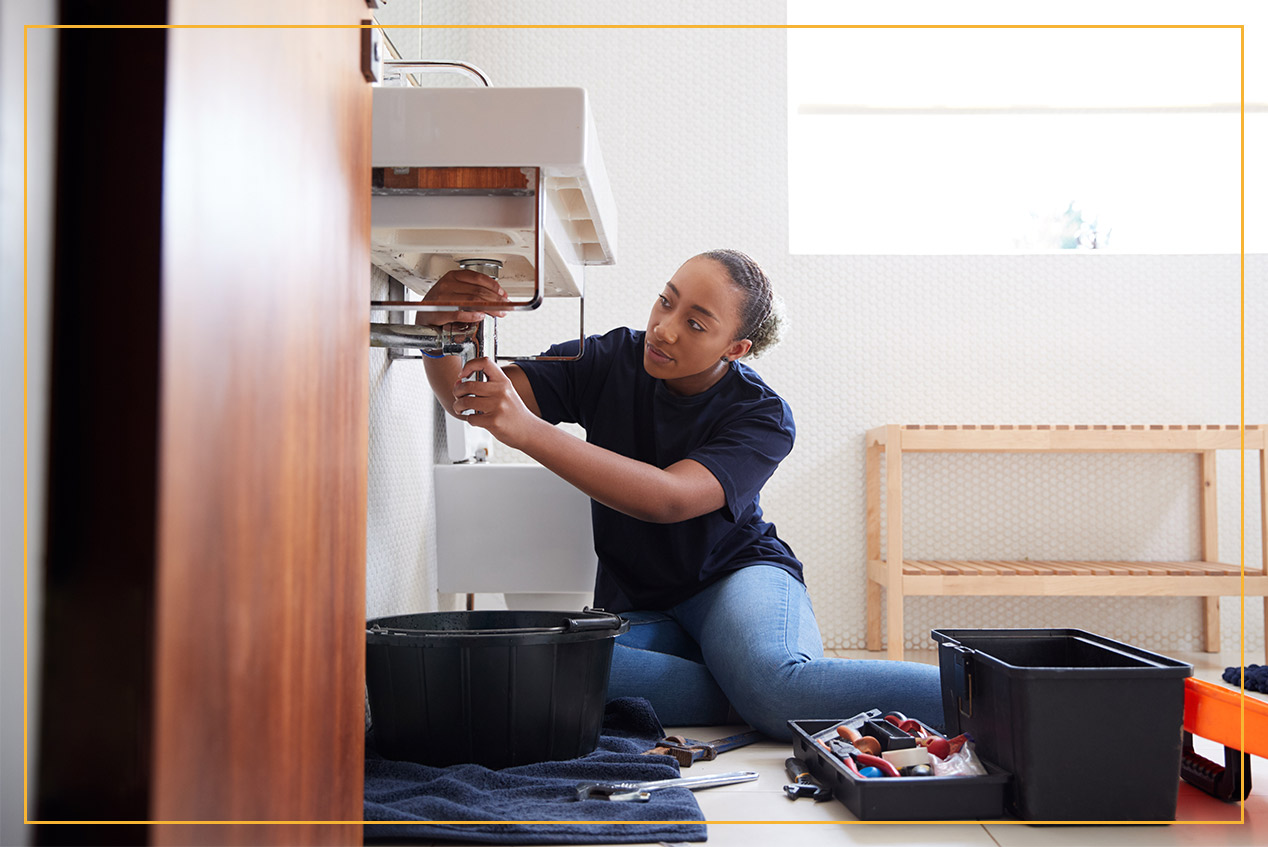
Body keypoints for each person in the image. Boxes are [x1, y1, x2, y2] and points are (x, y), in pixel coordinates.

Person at [417, 249, 942, 740]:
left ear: (736, 349)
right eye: (666, 302)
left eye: (695, 323)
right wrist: (439, 328)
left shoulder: (762, 415)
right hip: (643, 601)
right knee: (541, 669)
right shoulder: (610, 357)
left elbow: (668, 499)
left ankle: (986, 690)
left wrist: (528, 431)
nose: (664, 330)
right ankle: (746, 690)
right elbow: (471, 398)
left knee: (775, 683)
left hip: (735, 577)